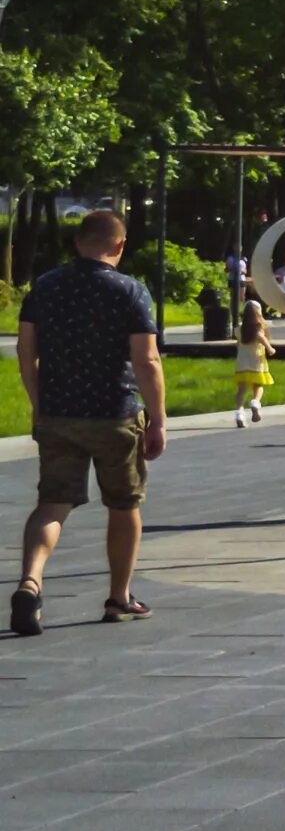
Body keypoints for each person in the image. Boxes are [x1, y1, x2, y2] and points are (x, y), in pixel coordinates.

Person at [14, 209, 167, 633]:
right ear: (118, 245)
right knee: (123, 504)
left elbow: (26, 350)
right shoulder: (130, 291)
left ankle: (31, 581)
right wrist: (158, 418)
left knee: (52, 504)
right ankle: (119, 597)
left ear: (78, 241)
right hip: (115, 413)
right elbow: (147, 359)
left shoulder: (44, 287)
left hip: (59, 413)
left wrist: (38, 401)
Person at [231, 300, 275, 426]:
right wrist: (270, 349)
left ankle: (239, 413)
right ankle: (255, 402)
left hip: (242, 363)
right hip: (256, 362)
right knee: (258, 385)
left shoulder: (238, 329)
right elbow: (264, 341)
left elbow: (238, 344)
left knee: (241, 389)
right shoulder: (258, 329)